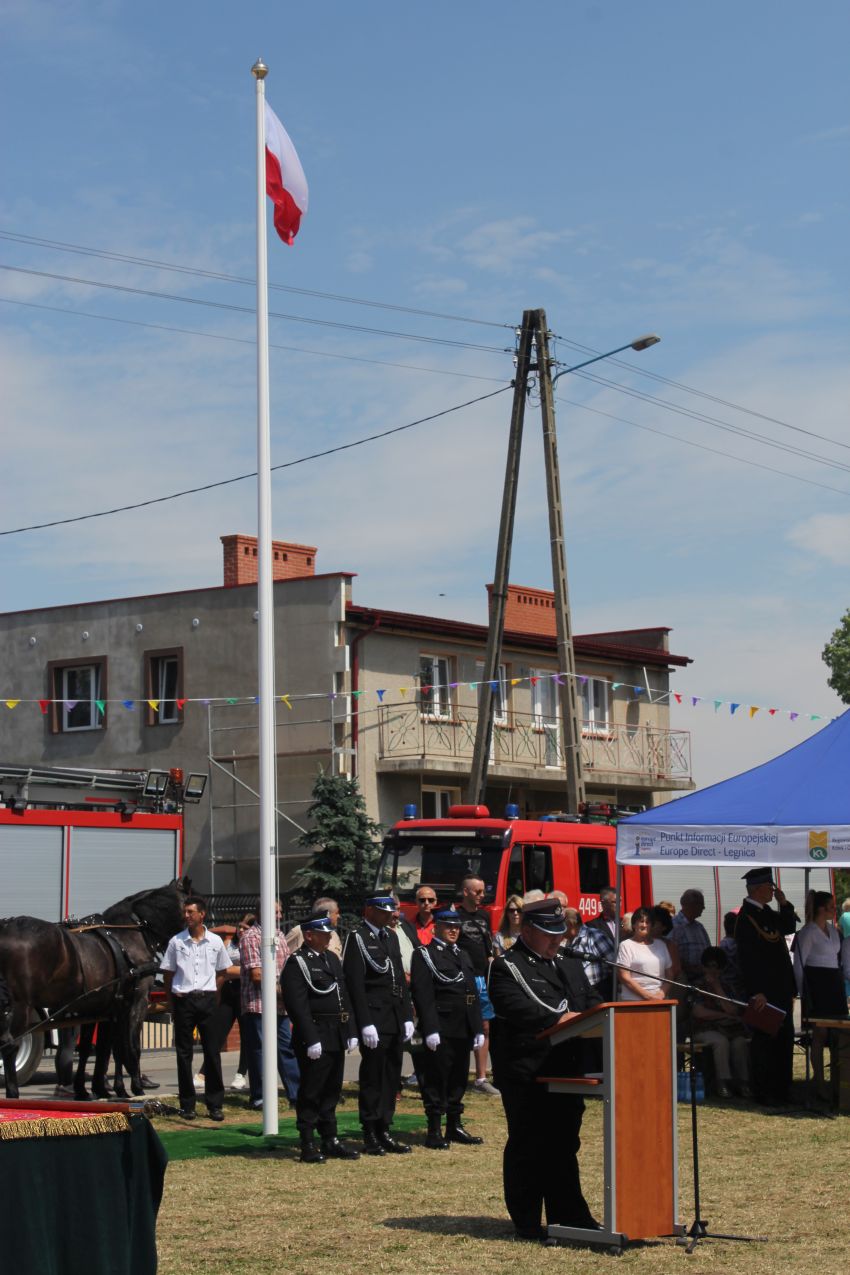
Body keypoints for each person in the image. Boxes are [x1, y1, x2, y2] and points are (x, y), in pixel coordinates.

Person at [489, 898, 602, 1243]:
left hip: (566, 1068)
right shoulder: (508, 966)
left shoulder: (569, 963)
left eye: (560, 932)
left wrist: (605, 1015)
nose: (557, 939)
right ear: (526, 931)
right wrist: (563, 1018)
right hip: (528, 1071)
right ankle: (526, 1221)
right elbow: (525, 1010)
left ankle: (570, 1216)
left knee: (564, 1143)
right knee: (529, 1143)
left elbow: (591, 1001)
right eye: (548, 933)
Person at [281, 913, 360, 1163]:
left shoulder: (331, 959)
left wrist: (350, 1030)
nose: (329, 938)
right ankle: (307, 1141)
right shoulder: (298, 963)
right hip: (315, 1034)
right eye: (324, 934)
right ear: (309, 936)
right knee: (311, 1090)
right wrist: (310, 1037)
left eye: (329, 934)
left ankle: (330, 1138)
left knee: (332, 1089)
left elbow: (343, 996)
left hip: (335, 1032)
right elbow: (297, 1005)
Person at [342, 894, 415, 1155]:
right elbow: (355, 984)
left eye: (390, 911)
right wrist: (364, 1022)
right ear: (370, 911)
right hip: (374, 1017)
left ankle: (385, 1126)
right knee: (373, 1076)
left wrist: (406, 1015)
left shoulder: (390, 937)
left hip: (393, 1015)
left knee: (391, 1074)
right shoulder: (358, 937)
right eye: (384, 911)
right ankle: (370, 1130)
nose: (389, 915)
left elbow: (399, 980)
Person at [410, 907, 485, 1149]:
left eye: (456, 927)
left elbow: (471, 994)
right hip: (441, 1026)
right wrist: (431, 1028)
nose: (453, 930)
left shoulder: (462, 954)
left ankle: (454, 1125)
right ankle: (434, 1129)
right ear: (436, 928)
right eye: (448, 926)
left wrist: (477, 1027)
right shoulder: (425, 954)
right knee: (436, 1077)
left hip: (462, 1026)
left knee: (458, 1078)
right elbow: (423, 994)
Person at [160, 895, 232, 1121]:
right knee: (184, 1054)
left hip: (207, 999)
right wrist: (172, 1002)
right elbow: (168, 974)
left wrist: (215, 993)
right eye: (185, 912)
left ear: (202, 914)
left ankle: (215, 1104)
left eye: (191, 912)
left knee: (212, 1052)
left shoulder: (215, 942)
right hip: (184, 999)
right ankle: (187, 1104)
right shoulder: (176, 942)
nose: (187, 916)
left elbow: (223, 971)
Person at [734, 867, 797, 1108]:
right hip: (764, 991)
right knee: (765, 1042)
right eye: (770, 887)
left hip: (781, 988)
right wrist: (755, 991)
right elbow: (748, 959)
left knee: (784, 1039)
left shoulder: (767, 912)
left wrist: (785, 904)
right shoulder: (746, 917)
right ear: (757, 889)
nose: (773, 890)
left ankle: (783, 1089)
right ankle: (764, 1091)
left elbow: (788, 927)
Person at [240, 902, 300, 1111]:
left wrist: (288, 990)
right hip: (258, 1004)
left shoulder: (280, 935)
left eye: (280, 911)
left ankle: (296, 1094)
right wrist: (283, 990)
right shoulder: (251, 937)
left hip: (280, 1005)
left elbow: (286, 969)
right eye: (276, 911)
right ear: (262, 912)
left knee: (286, 1048)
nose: (280, 915)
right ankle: (260, 1096)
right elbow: (256, 975)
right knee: (259, 1051)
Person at [794, 890, 846, 1098]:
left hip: (834, 983)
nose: (834, 910)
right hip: (817, 984)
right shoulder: (808, 932)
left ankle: (838, 1079)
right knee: (820, 1033)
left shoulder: (833, 931)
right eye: (831, 907)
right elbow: (799, 965)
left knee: (838, 1033)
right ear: (821, 909)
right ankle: (819, 1081)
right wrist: (803, 992)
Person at [456, 874, 498, 1095]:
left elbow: (487, 943)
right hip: (463, 977)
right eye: (478, 891)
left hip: (482, 977)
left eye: (483, 891)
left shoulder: (484, 915)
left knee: (485, 1025)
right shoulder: (455, 915)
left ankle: (481, 1078)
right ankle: (457, 1075)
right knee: (463, 1025)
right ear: (466, 892)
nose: (482, 895)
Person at [691, 947, 750, 1099]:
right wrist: (722, 1015)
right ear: (703, 967)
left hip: (729, 1029)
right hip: (704, 1029)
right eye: (710, 966)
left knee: (739, 1042)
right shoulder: (697, 986)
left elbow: (733, 1010)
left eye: (718, 967)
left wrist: (717, 988)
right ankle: (722, 1082)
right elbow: (699, 1012)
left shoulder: (727, 986)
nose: (714, 971)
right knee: (720, 1041)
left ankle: (743, 1083)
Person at [616, 907, 672, 1001]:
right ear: (634, 924)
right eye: (641, 921)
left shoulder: (661, 945)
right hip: (634, 1001)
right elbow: (624, 976)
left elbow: (670, 974)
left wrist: (662, 993)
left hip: (660, 1000)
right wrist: (648, 996)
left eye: (648, 922)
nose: (644, 925)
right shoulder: (626, 945)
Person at [563, 907, 614, 996]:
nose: (560, 929)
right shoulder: (569, 941)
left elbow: (613, 962)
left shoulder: (595, 936)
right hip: (580, 992)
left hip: (599, 991)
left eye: (562, 925)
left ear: (570, 924)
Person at [585, 887, 618, 999]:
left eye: (620, 901)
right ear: (603, 903)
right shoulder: (592, 926)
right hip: (605, 984)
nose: (619, 905)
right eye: (614, 902)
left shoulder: (625, 923)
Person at [671, 890, 710, 982]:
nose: (704, 907)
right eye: (701, 904)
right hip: (682, 982)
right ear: (691, 905)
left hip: (702, 981)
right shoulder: (673, 926)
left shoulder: (700, 927)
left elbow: (708, 951)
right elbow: (668, 956)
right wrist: (690, 968)